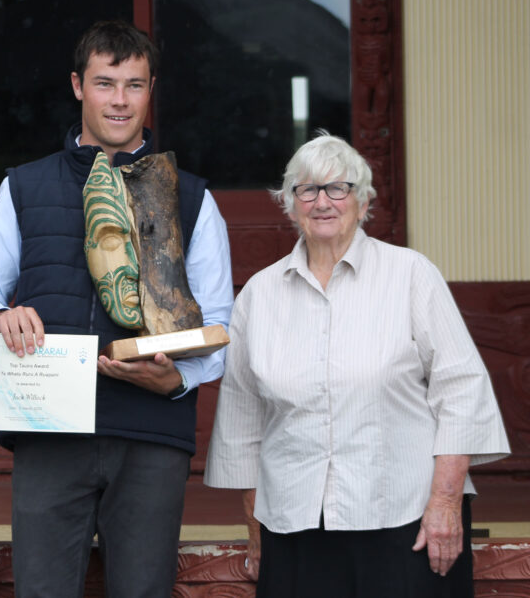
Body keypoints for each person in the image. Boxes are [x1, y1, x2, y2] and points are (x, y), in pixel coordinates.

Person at [0, 19, 235, 598]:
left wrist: (178, 380)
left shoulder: (191, 196)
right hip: (49, 431)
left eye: (134, 85)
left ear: (151, 89)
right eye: (105, 83)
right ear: (78, 86)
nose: (119, 100)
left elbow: (219, 325)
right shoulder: (25, 187)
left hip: (151, 435)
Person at [204, 133, 510, 597]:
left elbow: (462, 390)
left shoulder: (411, 275)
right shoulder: (258, 297)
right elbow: (242, 422)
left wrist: (445, 503)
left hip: (407, 518)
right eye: (307, 190)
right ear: (289, 204)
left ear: (363, 202)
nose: (322, 201)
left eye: (338, 188)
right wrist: (255, 529)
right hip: (295, 524)